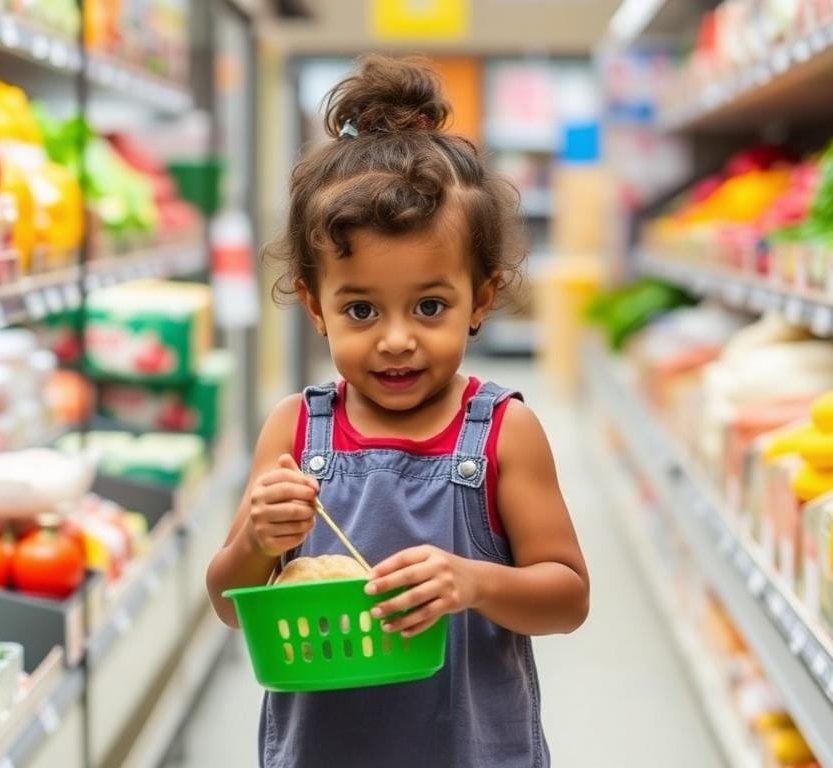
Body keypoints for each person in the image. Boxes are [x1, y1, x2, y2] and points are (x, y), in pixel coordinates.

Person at [207, 54, 589, 768]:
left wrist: (474, 581)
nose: (395, 340)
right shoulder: (296, 429)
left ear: (480, 298)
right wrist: (258, 539)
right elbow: (231, 604)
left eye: (430, 306)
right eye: (361, 309)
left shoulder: (504, 432)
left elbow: (567, 598)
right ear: (315, 307)